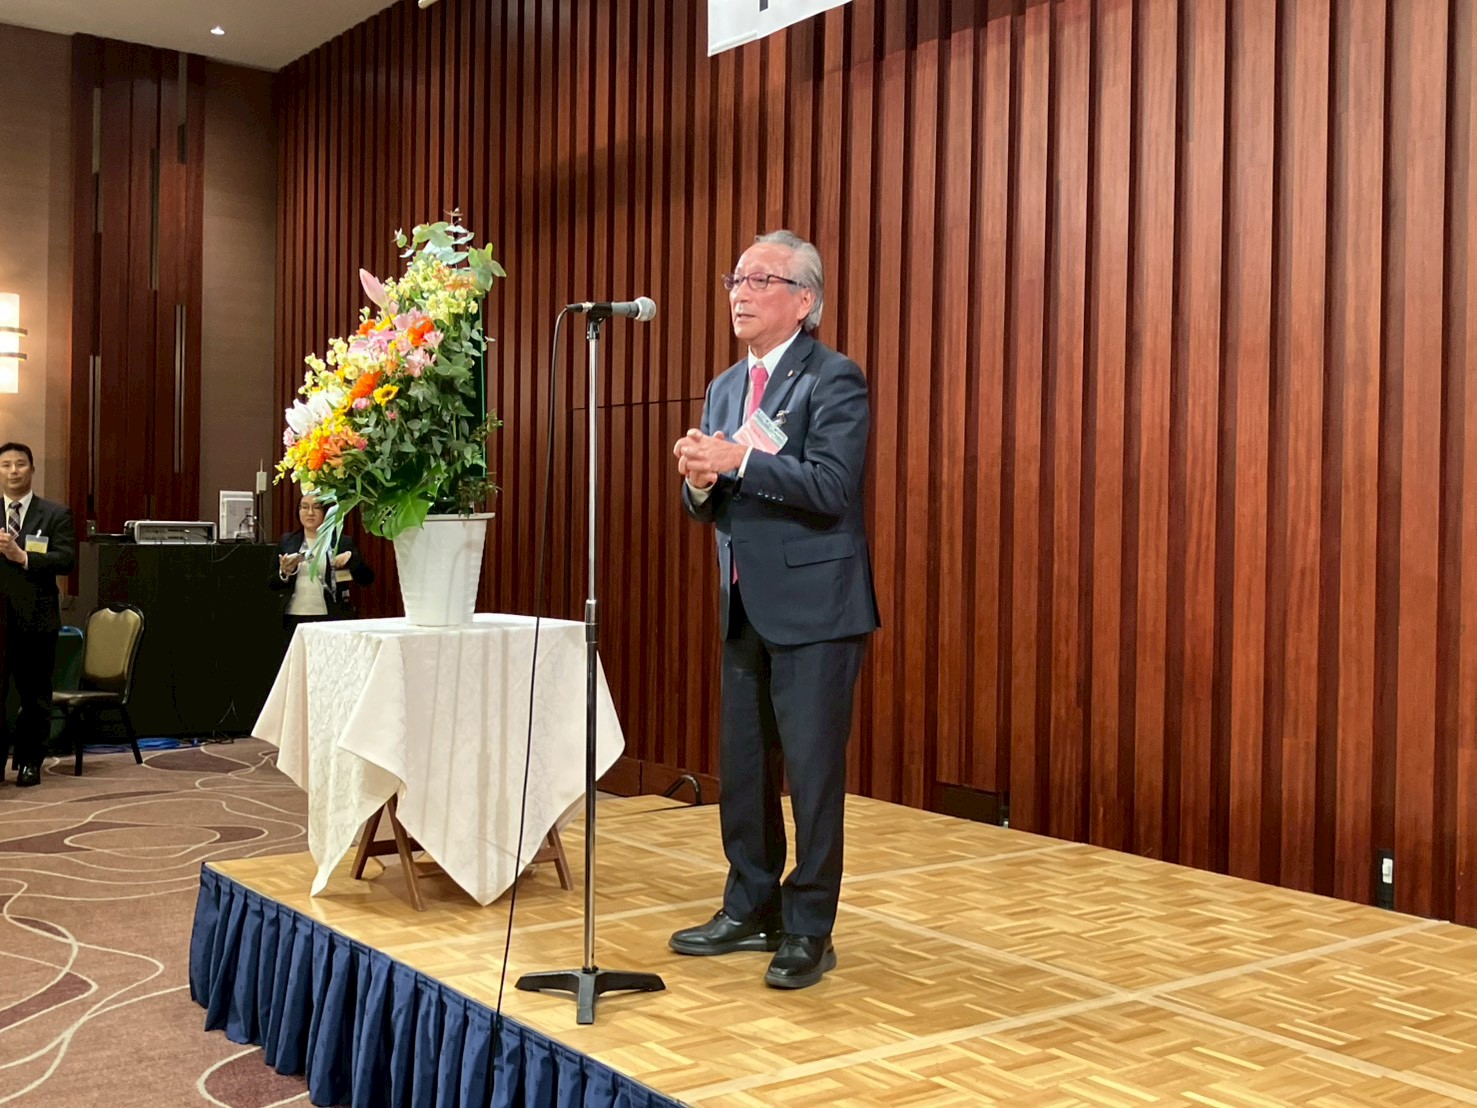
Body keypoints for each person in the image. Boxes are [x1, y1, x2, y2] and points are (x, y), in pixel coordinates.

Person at [668, 230, 879, 989]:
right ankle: (749, 906)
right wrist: (699, 482)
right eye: (736, 279)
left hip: (817, 610)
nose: (740, 293)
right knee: (745, 769)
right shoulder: (725, 387)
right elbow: (712, 501)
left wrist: (739, 460)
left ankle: (808, 927)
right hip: (743, 602)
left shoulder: (833, 378)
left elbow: (831, 487)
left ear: (804, 300)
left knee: (813, 777)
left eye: (760, 280)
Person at [0, 443, 77, 787]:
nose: (13, 471)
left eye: (20, 464)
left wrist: (23, 557)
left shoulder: (55, 514)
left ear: (32, 470)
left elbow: (66, 560)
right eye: (6, 465)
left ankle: (30, 762)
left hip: (36, 620)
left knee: (35, 697)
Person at [269, 494, 375, 647]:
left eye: (316, 507)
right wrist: (284, 573)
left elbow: (367, 579)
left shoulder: (341, 542)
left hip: (330, 618)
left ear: (326, 512)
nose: (310, 512)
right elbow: (271, 584)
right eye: (304, 507)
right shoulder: (288, 541)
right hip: (293, 617)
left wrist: (351, 560)